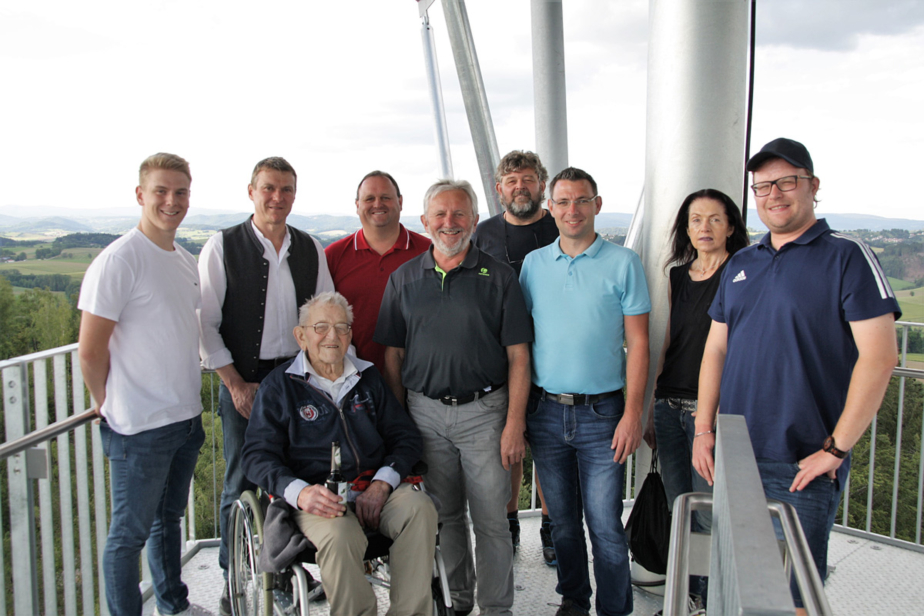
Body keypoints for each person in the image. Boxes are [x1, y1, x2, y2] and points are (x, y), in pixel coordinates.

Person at [692, 138, 900, 613]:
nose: (774, 195)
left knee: (794, 595)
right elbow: (716, 348)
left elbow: (880, 357)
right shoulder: (742, 262)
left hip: (803, 459)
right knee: (736, 580)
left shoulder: (847, 256)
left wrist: (836, 448)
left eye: (787, 182)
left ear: (813, 186)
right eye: (762, 186)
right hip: (735, 452)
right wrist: (704, 429)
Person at [375, 179, 532, 616]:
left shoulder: (499, 278)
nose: (449, 223)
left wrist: (514, 423)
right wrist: (400, 420)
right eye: (440, 215)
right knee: (445, 519)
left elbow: (519, 356)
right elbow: (393, 355)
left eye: (459, 213)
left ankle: (496, 608)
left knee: (492, 522)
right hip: (424, 415)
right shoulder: (403, 279)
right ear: (424, 222)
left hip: (486, 415)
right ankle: (459, 602)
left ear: (475, 220)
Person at [241, 292, 437, 616]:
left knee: (421, 510)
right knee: (340, 532)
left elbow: (405, 437)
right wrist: (301, 492)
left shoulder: (368, 377)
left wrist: (382, 484)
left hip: (374, 488)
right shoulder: (280, 387)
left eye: (341, 327)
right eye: (320, 327)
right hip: (316, 497)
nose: (332, 336)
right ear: (301, 335)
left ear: (350, 335)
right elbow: (256, 455)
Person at [197, 156, 334, 615]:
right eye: (269, 188)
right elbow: (205, 325)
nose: (278, 198)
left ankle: (285, 571)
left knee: (299, 474)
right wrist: (235, 383)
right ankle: (232, 574)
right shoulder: (221, 246)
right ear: (251, 191)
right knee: (242, 479)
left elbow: (323, 319)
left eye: (287, 190)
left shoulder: (310, 248)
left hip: (297, 381)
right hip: (244, 379)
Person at [78, 153, 207, 616]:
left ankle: (174, 605)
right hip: (138, 427)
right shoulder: (118, 261)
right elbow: (90, 351)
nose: (171, 201)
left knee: (167, 521)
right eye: (161, 191)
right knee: (127, 536)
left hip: (184, 419)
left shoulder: (185, 260)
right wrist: (106, 403)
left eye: (180, 192)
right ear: (140, 195)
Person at [519, 167, 651, 616]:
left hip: (604, 414)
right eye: (563, 201)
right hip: (546, 412)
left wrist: (633, 414)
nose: (572, 210)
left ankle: (615, 610)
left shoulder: (623, 263)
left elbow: (639, 345)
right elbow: (520, 343)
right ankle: (574, 599)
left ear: (596, 204)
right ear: (550, 208)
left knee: (605, 526)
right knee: (563, 525)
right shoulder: (533, 265)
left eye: (581, 200)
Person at [643, 188, 749, 607]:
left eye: (715, 219)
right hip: (669, 406)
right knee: (679, 506)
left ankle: (708, 601)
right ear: (685, 228)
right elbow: (673, 338)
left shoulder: (741, 273)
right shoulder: (678, 275)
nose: (704, 228)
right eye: (695, 220)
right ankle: (687, 598)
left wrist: (717, 413)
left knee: (709, 511)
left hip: (710, 412)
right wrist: (654, 399)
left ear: (731, 227)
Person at [473, 150, 559, 564]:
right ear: (499, 188)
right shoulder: (482, 233)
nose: (520, 187)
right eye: (512, 180)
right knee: (506, 448)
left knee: (548, 447)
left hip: (554, 356)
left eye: (528, 179)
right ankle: (508, 525)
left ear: (542, 184)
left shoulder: (561, 227)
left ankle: (551, 526)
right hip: (498, 356)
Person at [325, 170, 430, 371]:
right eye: (369, 198)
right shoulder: (333, 256)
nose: (377, 204)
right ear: (357, 205)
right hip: (353, 378)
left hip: (418, 379)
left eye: (386, 198)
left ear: (400, 201)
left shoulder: (429, 252)